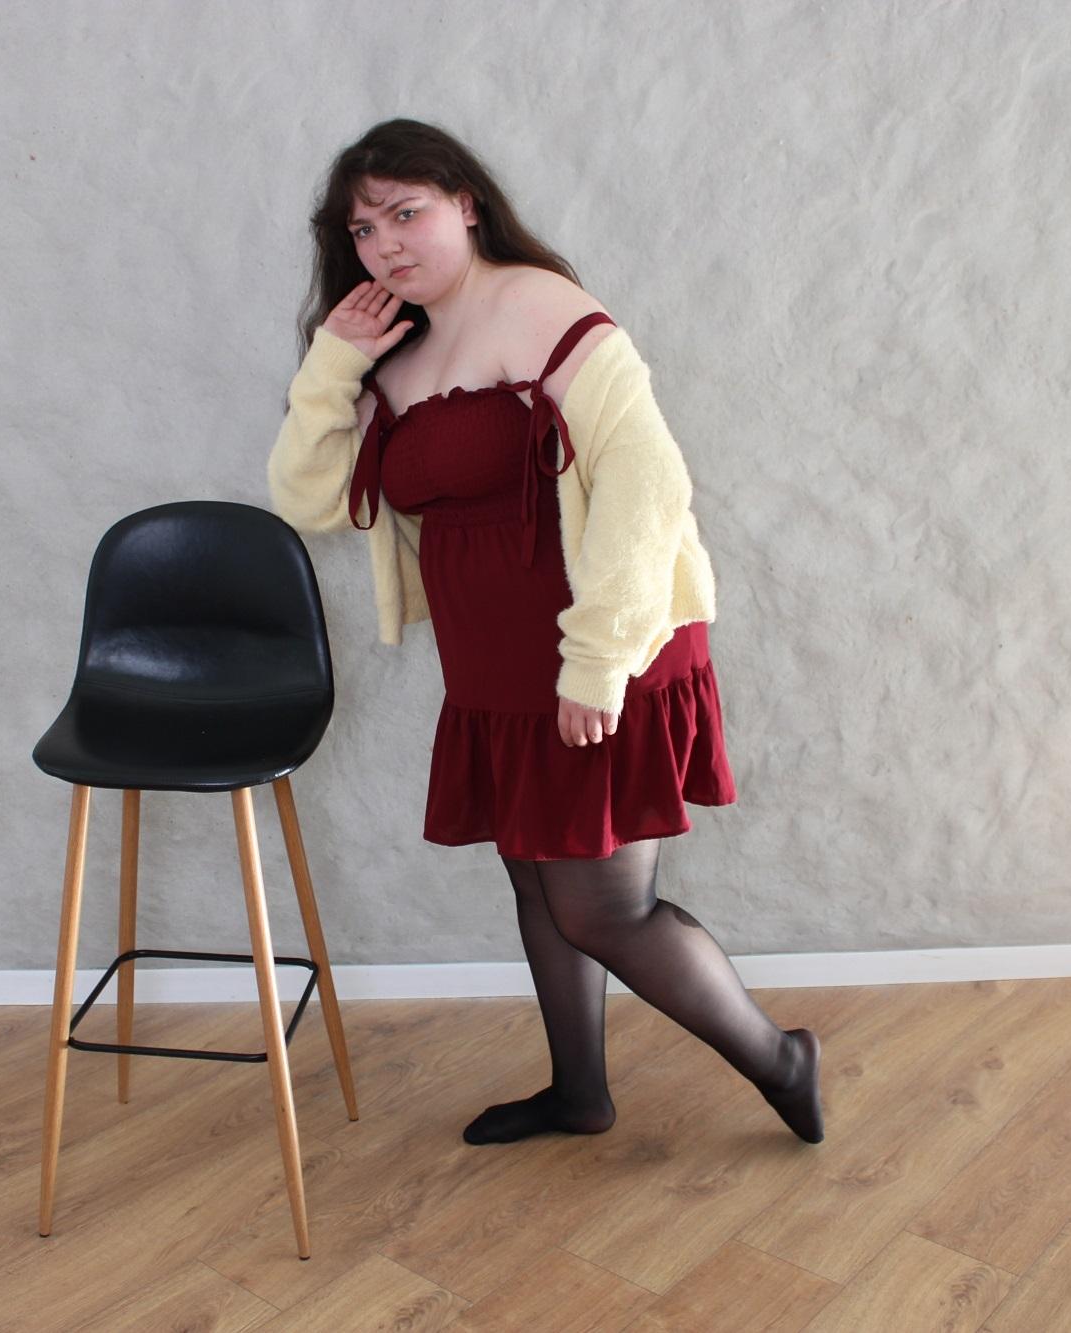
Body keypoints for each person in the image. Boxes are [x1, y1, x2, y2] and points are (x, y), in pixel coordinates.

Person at [267, 118, 822, 1147]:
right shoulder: (392, 352)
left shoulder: (543, 308)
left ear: (465, 203)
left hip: (600, 649)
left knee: (603, 909)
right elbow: (309, 498)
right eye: (364, 230)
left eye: (406, 212)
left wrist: (596, 663)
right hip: (492, 668)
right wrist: (333, 361)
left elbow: (646, 485)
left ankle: (782, 1057)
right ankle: (578, 1093)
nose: (386, 244)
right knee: (537, 880)